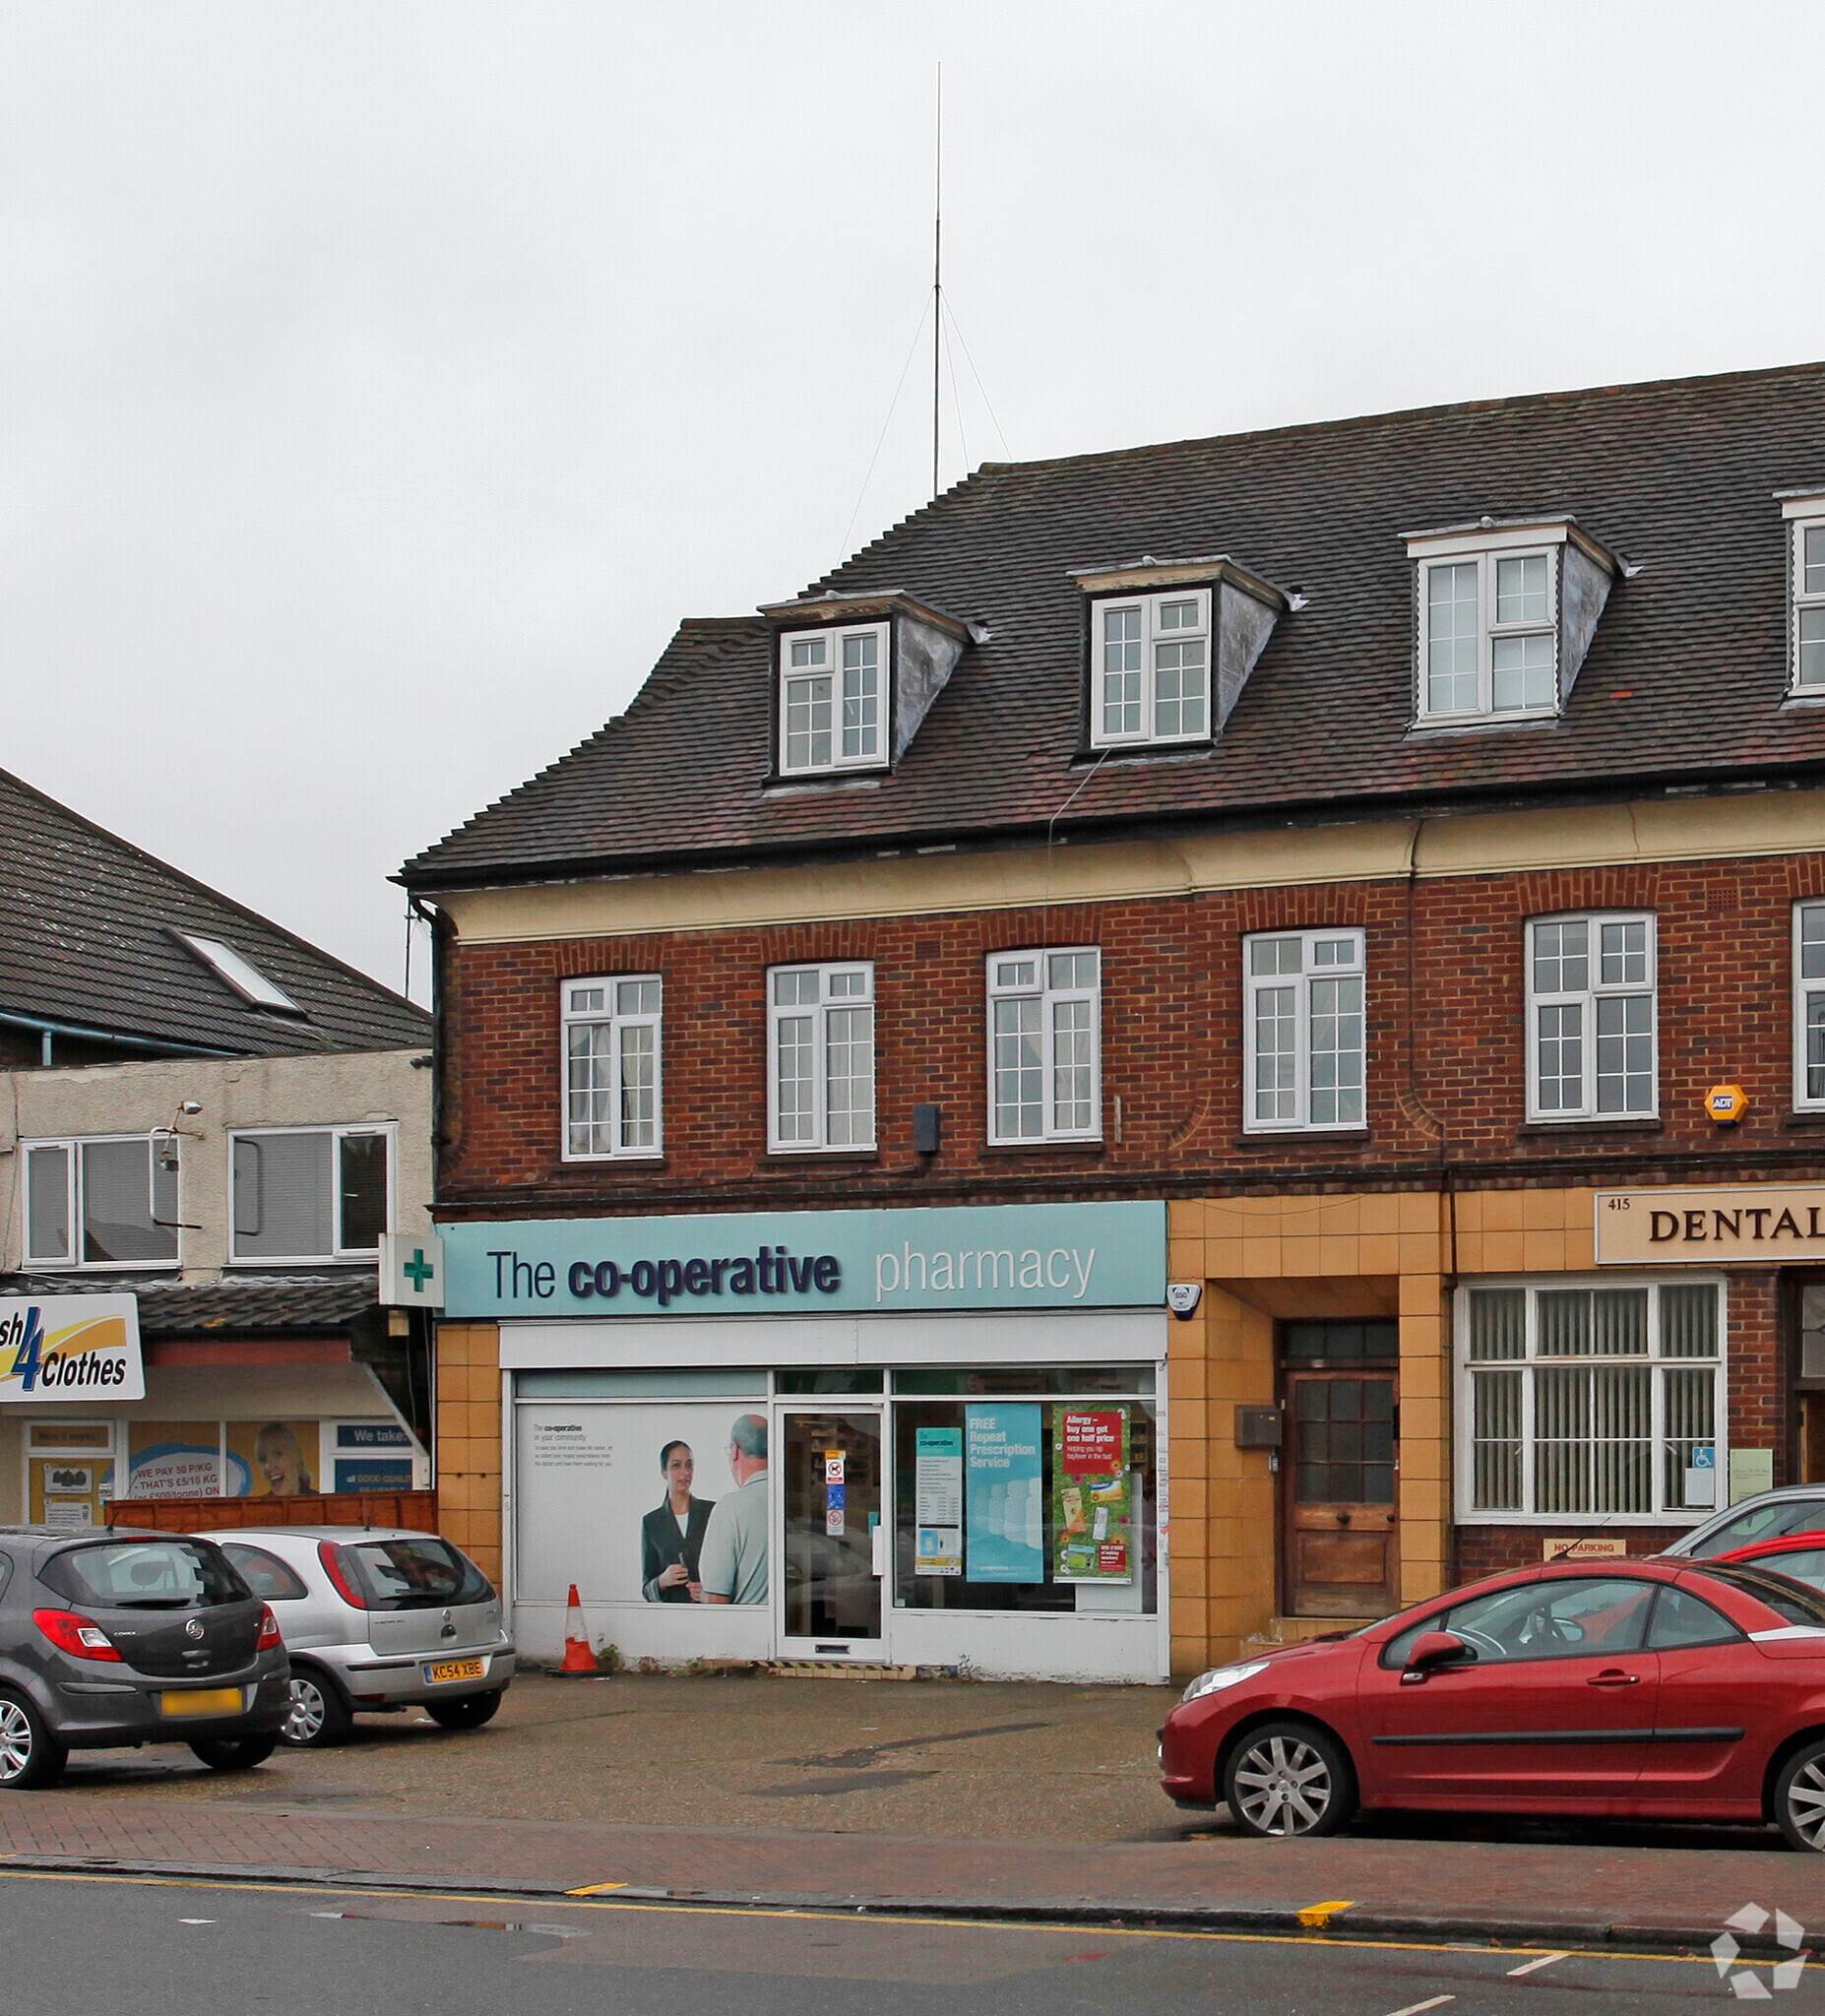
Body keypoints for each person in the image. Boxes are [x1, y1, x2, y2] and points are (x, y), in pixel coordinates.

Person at [699, 1414, 769, 1606]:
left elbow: (716, 1601)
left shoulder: (729, 1509)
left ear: (735, 1450)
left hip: (746, 1631)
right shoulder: (792, 1500)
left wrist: (701, 1595)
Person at [640, 1439, 713, 1604]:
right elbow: (646, 1590)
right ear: (663, 1472)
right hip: (671, 1617)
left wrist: (710, 1592)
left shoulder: (712, 1512)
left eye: (689, 1465)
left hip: (709, 1615)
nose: (685, 1472)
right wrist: (662, 1581)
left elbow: (730, 1570)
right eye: (676, 1465)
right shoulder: (651, 1522)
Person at [255, 1422, 312, 1496]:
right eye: (263, 1459)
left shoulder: (321, 1504)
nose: (269, 1466)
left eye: (278, 1454)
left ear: (296, 1456)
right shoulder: (258, 1507)